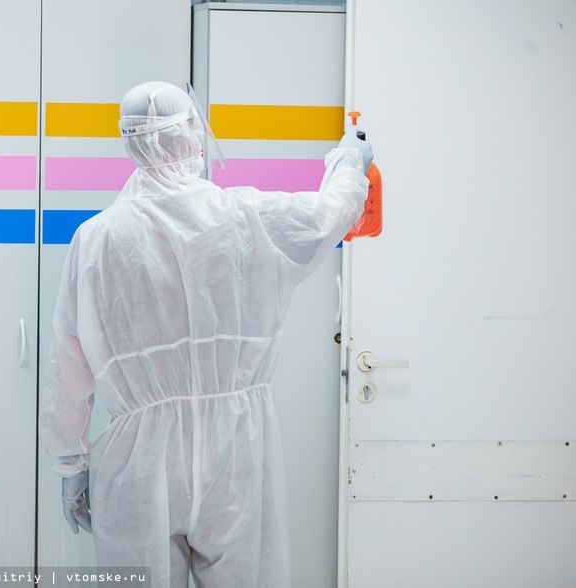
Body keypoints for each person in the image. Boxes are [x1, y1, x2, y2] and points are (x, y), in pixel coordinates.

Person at [40, 81, 372, 587]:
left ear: (131, 142)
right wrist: (348, 160)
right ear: (190, 134)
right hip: (235, 450)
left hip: (138, 462)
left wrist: (71, 462)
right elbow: (331, 212)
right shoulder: (244, 216)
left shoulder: (97, 239)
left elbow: (68, 362)